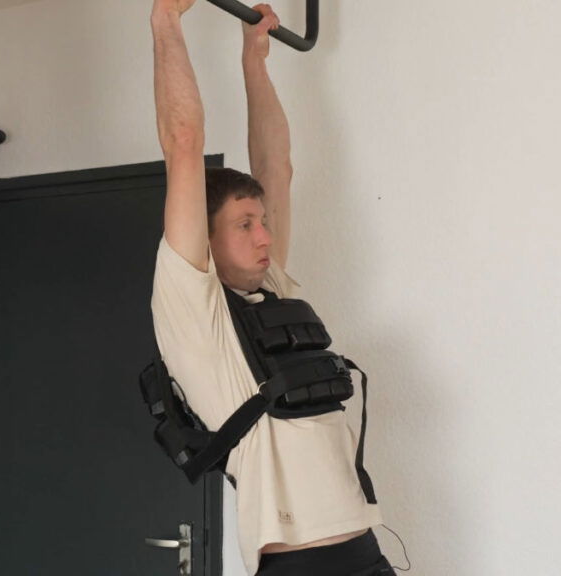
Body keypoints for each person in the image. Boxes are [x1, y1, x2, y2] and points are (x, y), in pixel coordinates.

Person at [149, 1, 395, 574]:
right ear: (204, 242)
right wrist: (166, 19)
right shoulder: (195, 307)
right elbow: (183, 142)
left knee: (276, 174)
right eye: (244, 225)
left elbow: (276, 165)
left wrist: (254, 58)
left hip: (365, 552)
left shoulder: (270, 286)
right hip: (298, 564)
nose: (265, 236)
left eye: (262, 222)